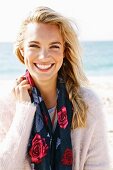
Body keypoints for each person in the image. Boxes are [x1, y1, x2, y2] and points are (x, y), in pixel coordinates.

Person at [0, 6, 110, 170]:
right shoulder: (7, 105)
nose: (44, 56)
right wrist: (23, 111)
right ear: (22, 51)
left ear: (64, 51)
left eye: (54, 46)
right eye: (34, 46)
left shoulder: (88, 103)